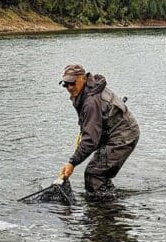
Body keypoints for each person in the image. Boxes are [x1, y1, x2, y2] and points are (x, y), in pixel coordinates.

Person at [57, 64, 140, 196]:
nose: (69, 88)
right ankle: (108, 200)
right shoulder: (87, 90)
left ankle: (104, 210)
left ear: (83, 78)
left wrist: (72, 163)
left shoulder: (90, 102)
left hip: (124, 135)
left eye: (72, 83)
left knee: (94, 173)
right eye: (65, 84)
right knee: (98, 172)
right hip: (111, 132)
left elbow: (90, 140)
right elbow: (91, 129)